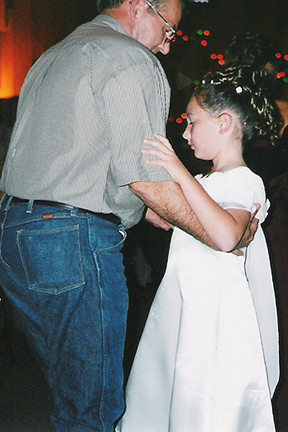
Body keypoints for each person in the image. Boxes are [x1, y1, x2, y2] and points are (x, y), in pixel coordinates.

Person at [0, 1, 258, 431]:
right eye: (169, 31)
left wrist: (155, 212)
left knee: (71, 396)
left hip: (17, 238)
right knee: (92, 409)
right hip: (73, 244)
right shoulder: (129, 57)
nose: (167, 46)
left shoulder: (56, 52)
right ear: (140, 7)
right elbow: (147, 181)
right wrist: (223, 233)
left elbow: (83, 166)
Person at [116, 65, 280, 432]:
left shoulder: (244, 180)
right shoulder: (207, 181)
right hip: (183, 305)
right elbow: (174, 221)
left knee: (203, 403)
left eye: (192, 123)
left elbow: (224, 237)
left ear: (224, 124)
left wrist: (179, 171)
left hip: (214, 318)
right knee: (166, 396)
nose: (186, 133)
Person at [225, 32, 288, 431]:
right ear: (268, 68)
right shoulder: (279, 109)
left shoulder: (226, 113)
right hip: (274, 224)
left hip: (237, 221)